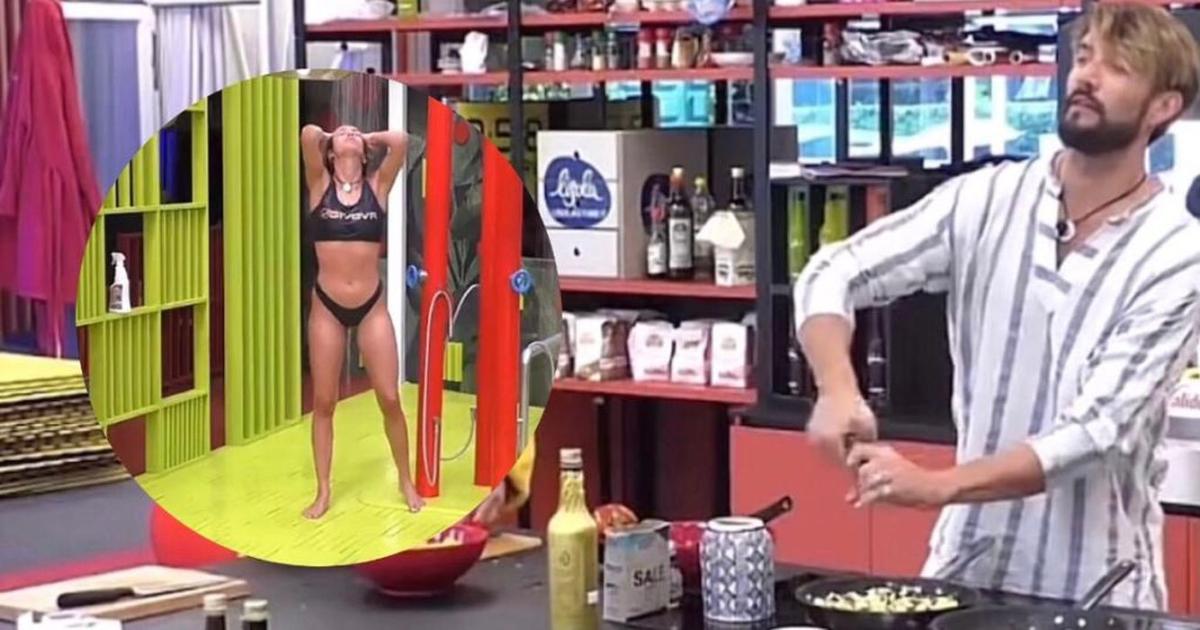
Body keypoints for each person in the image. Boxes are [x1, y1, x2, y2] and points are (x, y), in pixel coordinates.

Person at [793, 3, 1200, 610]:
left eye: (1118, 68)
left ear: (1163, 107)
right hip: (966, 571)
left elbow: (1096, 432)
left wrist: (938, 486)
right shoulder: (987, 199)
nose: (1086, 76)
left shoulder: (1179, 253)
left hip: (1098, 592)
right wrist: (836, 387)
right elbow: (834, 269)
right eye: (1085, 57)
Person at [300, 123, 423, 519]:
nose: (350, 133)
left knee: (389, 397)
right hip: (327, 307)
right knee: (324, 402)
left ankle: (406, 481)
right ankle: (323, 490)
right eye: (343, 134)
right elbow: (307, 134)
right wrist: (333, 135)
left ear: (367, 153)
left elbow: (401, 142)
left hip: (371, 306)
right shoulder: (319, 185)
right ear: (330, 153)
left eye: (356, 133)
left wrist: (366, 139)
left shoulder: (378, 187)